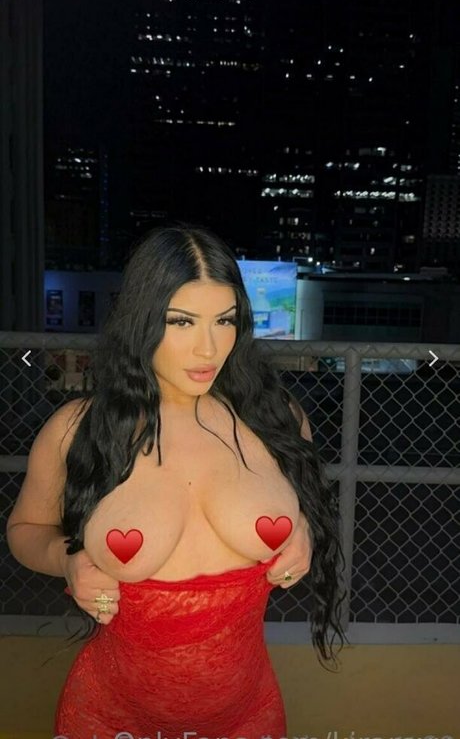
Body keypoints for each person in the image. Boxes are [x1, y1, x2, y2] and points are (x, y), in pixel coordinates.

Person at [7, 222, 346, 739]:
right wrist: (65, 559)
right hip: (109, 716)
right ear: (142, 319)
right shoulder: (78, 429)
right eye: (181, 321)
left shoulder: (276, 418)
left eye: (224, 320)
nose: (208, 349)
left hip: (247, 715)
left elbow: (304, 502)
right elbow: (25, 528)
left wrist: (302, 527)